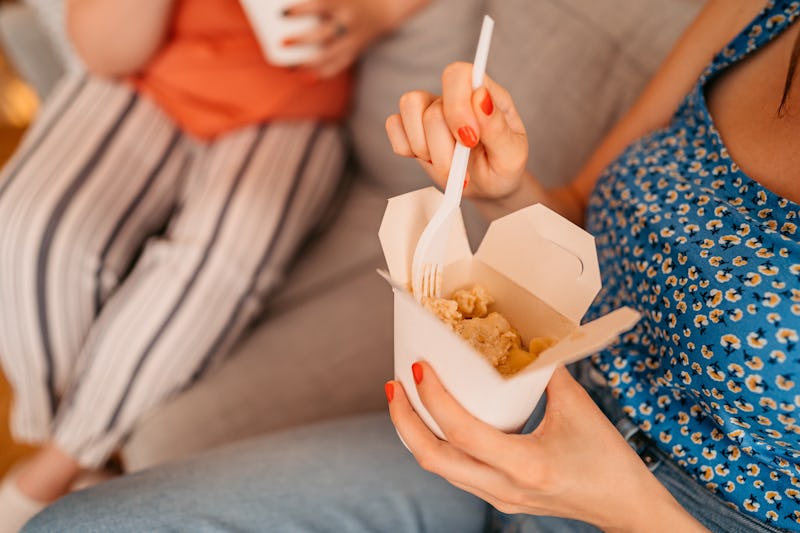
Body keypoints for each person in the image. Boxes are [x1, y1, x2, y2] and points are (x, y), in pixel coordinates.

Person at [20, 0, 800, 531]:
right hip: (513, 414)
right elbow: (582, 222)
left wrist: (626, 502)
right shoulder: (754, 14)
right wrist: (504, 189)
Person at [0, 0, 430, 530]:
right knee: (28, 233)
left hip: (294, 106)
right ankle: (79, 433)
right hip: (141, 77)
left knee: (219, 265)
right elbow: (104, 52)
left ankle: (54, 470)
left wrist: (378, 15)